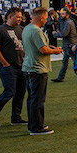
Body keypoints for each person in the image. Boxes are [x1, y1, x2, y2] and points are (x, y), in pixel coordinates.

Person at [22, 7, 62, 135]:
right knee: (38, 99)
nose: (46, 20)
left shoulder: (27, 28)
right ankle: (37, 127)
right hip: (37, 69)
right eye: (45, 18)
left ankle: (33, 124)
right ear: (41, 17)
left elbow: (39, 47)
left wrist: (48, 48)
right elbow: (43, 50)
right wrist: (55, 51)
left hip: (29, 67)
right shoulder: (36, 31)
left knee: (32, 98)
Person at [0, 8, 26, 128]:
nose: (20, 19)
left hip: (21, 65)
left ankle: (16, 117)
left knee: (20, 92)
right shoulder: (0, 30)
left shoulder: (21, 30)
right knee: (9, 91)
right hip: (8, 66)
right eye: (18, 17)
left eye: (20, 17)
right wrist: (4, 63)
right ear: (10, 17)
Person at [52, 8, 77, 82]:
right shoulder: (67, 22)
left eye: (63, 14)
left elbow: (64, 34)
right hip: (69, 44)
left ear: (67, 15)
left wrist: (55, 34)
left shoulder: (68, 23)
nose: (61, 15)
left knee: (74, 61)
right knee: (65, 63)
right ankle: (60, 77)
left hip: (70, 45)